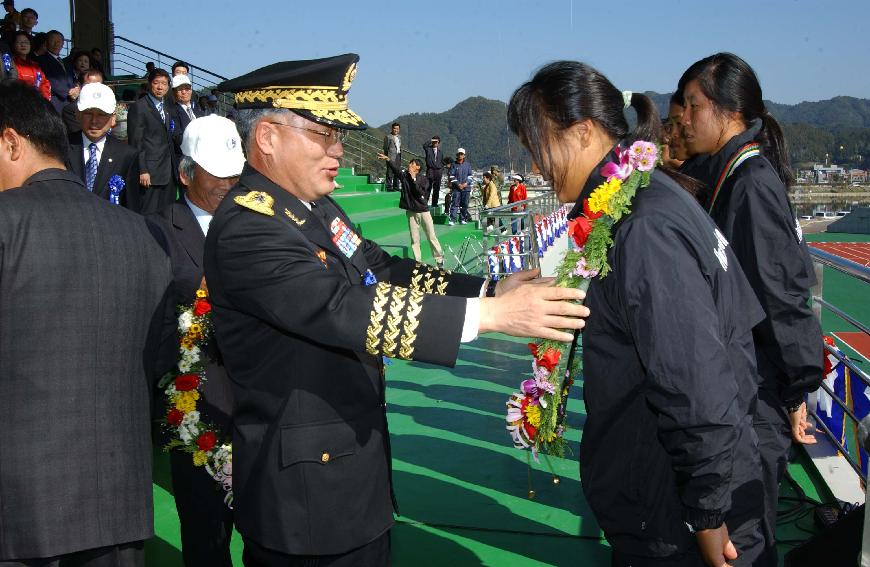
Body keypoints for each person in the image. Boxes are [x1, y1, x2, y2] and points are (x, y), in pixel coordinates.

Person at [205, 53, 589, 566]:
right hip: (304, 501)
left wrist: (488, 290)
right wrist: (492, 318)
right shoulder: (249, 226)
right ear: (268, 137)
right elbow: (339, 307)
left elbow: (381, 270)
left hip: (350, 477)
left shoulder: (314, 207)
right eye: (324, 134)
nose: (339, 150)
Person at [508, 60, 768, 567]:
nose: (536, 168)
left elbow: (696, 386)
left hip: (675, 514)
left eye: (538, 149)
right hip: (669, 494)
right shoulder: (651, 196)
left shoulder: (642, 228)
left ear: (583, 131)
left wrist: (708, 514)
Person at [0, 80, 171, 567]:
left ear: (12, 141)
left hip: (18, 516)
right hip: (118, 512)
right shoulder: (145, 235)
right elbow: (159, 357)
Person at [677, 52, 824, 564]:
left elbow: (782, 296)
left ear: (727, 111)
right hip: (743, 382)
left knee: (748, 536)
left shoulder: (751, 184)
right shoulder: (727, 176)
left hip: (756, 390)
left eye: (693, 107)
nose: (686, 120)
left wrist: (799, 385)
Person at [148, 115, 245, 567]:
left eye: (234, 170)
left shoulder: (261, 222)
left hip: (259, 404)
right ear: (185, 174)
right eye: (217, 171)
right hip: (196, 407)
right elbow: (153, 322)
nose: (229, 181)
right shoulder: (156, 231)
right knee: (206, 540)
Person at [65, 82, 140, 211]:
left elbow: (131, 208)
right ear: (77, 114)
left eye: (101, 114)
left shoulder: (127, 155)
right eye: (88, 113)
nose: (94, 121)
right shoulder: (61, 148)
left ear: (113, 118)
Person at [378, 153, 445, 267]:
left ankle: (439, 259)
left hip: (424, 211)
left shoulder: (423, 179)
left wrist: (413, 179)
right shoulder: (404, 176)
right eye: (410, 163)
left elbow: (420, 193)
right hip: (411, 212)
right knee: (415, 239)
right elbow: (396, 169)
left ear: (418, 167)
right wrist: (389, 159)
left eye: (412, 164)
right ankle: (418, 262)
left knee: (431, 236)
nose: (409, 165)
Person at [128, 67, 176, 215]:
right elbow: (136, 141)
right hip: (150, 172)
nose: (160, 87)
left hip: (168, 170)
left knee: (166, 213)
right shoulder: (139, 107)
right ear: (150, 84)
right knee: (149, 213)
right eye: (156, 83)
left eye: (164, 83)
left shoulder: (167, 107)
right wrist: (143, 170)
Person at [35, 30, 78, 114]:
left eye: (59, 41)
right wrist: (68, 92)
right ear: (46, 43)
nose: (56, 44)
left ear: (63, 44)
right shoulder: (40, 60)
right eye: (53, 41)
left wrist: (77, 89)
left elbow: (73, 79)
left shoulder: (67, 63)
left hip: (70, 103)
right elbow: (49, 79)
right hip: (55, 103)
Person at [169, 74, 204, 162]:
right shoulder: (171, 112)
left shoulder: (197, 111)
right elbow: (178, 138)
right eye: (180, 89)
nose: (184, 92)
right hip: (185, 160)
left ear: (191, 90)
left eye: (187, 89)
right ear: (173, 92)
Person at [10, 31, 50, 101]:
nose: (23, 45)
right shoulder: (8, 63)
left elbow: (44, 84)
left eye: (26, 42)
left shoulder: (35, 65)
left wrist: (44, 101)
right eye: (19, 42)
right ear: (13, 45)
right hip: (15, 103)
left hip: (36, 105)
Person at [61, 67, 102, 135]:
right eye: (89, 86)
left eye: (98, 85)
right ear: (79, 86)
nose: (94, 89)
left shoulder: (108, 107)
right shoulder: (71, 110)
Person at [447, 147, 471, 225]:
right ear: (457, 155)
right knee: (454, 204)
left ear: (464, 155)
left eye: (462, 154)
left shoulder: (468, 165)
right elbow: (451, 176)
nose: (460, 155)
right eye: (459, 154)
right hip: (456, 189)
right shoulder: (453, 165)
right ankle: (452, 220)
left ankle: (463, 219)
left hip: (466, 188)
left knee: (465, 204)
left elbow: (470, 176)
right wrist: (458, 184)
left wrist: (466, 183)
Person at [422, 135, 443, 207]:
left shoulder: (440, 152)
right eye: (434, 141)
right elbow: (424, 145)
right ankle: (425, 203)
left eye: (437, 142)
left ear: (438, 143)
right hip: (430, 170)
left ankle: (434, 203)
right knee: (428, 187)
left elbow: (441, 161)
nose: (435, 143)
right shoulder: (428, 149)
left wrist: (441, 169)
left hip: (438, 171)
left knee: (436, 188)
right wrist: (431, 140)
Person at [383, 122, 401, 192]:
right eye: (394, 128)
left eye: (397, 129)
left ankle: (396, 186)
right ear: (392, 129)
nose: (396, 130)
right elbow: (385, 148)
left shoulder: (399, 137)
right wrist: (386, 157)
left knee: (397, 171)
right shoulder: (388, 137)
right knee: (390, 171)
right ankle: (389, 186)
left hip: (398, 156)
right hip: (390, 156)